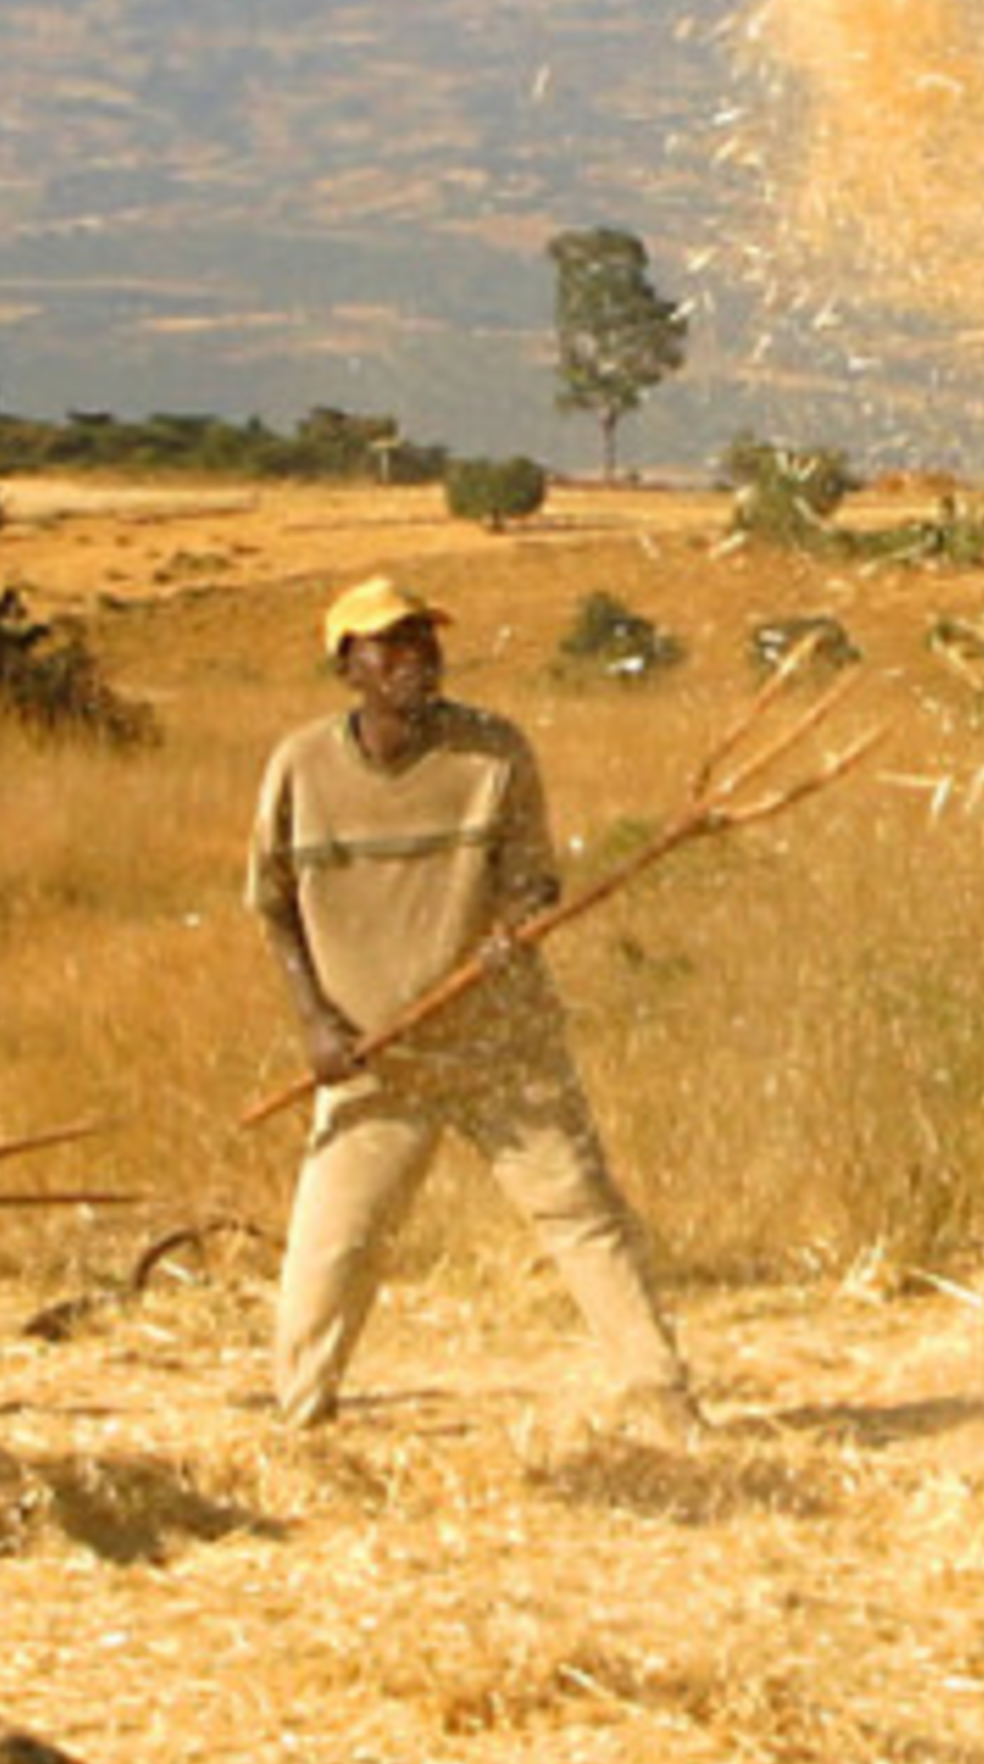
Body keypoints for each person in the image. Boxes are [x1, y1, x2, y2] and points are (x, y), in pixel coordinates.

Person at [248, 575, 699, 1436]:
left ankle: (665, 1402)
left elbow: (533, 879)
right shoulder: (299, 768)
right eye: (393, 645)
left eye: (425, 641)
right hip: (379, 1058)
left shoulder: (493, 754)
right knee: (332, 1248)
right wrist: (316, 1023)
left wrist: (515, 927)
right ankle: (301, 1424)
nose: (418, 659)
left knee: (581, 1215)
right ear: (348, 664)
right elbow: (272, 904)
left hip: (500, 1040)